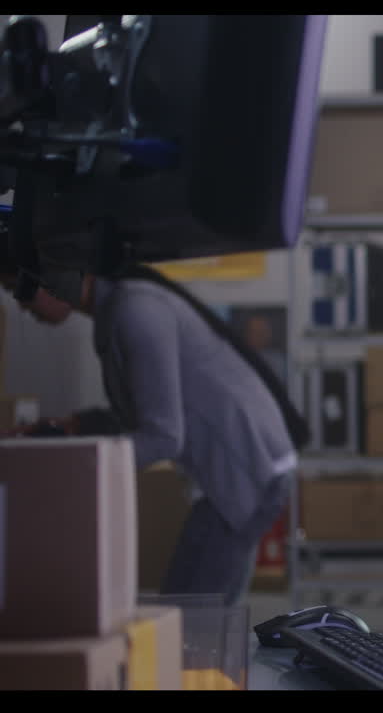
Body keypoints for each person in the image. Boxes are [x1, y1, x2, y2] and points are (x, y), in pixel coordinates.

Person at [0, 260, 309, 607]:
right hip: (243, 468)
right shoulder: (119, 309)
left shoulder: (136, 310)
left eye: (21, 291)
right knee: (187, 613)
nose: (23, 307)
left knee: (191, 624)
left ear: (56, 275)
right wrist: (76, 426)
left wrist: (73, 464)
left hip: (245, 471)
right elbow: (152, 415)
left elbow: (163, 438)